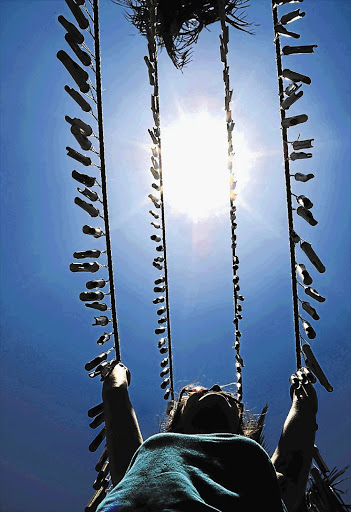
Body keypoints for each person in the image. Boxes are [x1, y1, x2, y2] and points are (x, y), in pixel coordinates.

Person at [96, 362, 318, 512]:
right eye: (194, 392)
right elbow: (117, 403)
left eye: (228, 397)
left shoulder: (250, 457)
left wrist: (303, 400)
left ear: (239, 420)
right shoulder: (148, 454)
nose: (215, 387)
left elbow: (293, 460)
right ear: (178, 416)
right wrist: (117, 377)